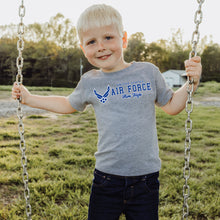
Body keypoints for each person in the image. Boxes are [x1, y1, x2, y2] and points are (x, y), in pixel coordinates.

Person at [12, 4, 202, 220]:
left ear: (123, 39)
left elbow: (171, 106)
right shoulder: (90, 82)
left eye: (108, 37)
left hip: (145, 181)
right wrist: (29, 98)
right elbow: (67, 104)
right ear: (83, 48)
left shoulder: (148, 72)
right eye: (91, 42)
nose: (100, 46)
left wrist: (190, 84)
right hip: (106, 179)